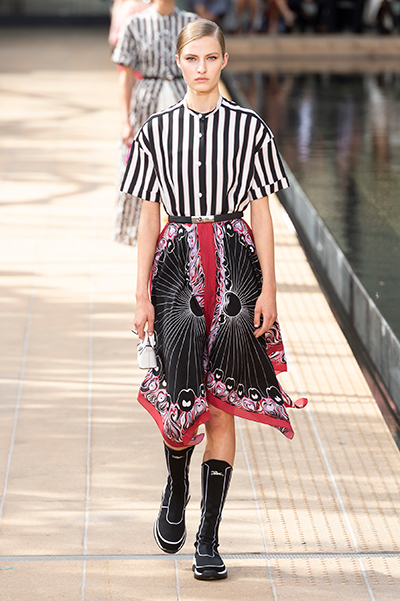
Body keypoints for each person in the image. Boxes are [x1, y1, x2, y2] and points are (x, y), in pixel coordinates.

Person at [123, 19, 307, 580]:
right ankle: (177, 485)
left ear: (224, 60)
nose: (200, 68)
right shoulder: (155, 132)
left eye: (210, 58)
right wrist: (140, 295)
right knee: (181, 405)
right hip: (176, 273)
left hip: (235, 274)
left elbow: (262, 214)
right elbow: (148, 216)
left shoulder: (250, 129)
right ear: (179, 63)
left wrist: (269, 289)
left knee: (223, 404)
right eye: (191, 58)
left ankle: (208, 537)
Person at [111, 0, 197, 245]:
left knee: (186, 165)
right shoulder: (135, 24)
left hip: (184, 101)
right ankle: (138, 232)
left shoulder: (192, 23)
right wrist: (124, 120)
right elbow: (126, 75)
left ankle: (186, 231)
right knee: (140, 166)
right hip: (147, 103)